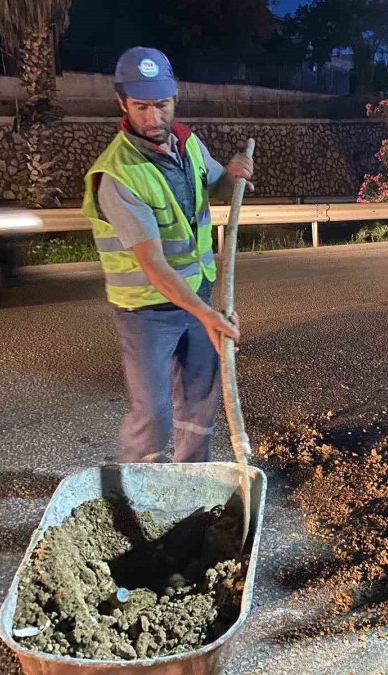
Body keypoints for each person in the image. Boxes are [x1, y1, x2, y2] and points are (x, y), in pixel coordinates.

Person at [82, 47, 254, 463]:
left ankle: (191, 479)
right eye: (141, 107)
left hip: (197, 293)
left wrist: (233, 175)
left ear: (174, 99)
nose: (154, 118)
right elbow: (153, 264)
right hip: (146, 311)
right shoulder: (118, 175)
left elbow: (218, 187)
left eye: (162, 105)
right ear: (122, 103)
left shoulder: (188, 144)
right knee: (153, 412)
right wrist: (208, 314)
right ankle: (142, 491)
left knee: (200, 398)